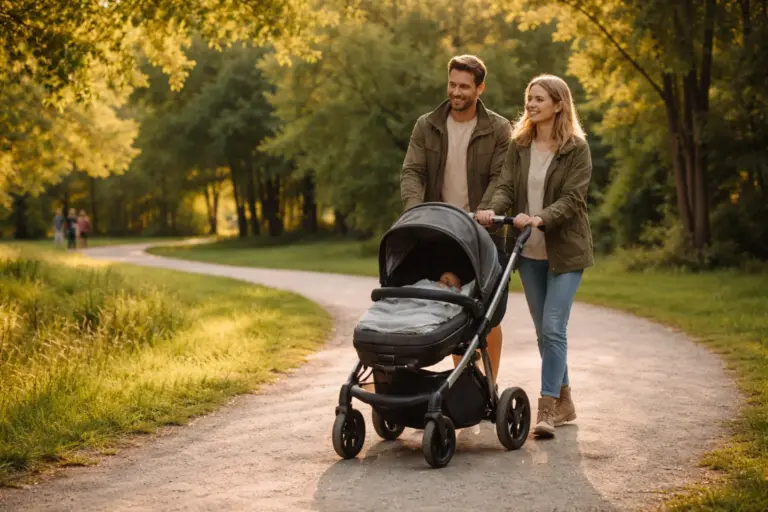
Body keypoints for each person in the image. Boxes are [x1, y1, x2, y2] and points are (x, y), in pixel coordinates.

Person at [475, 74, 594, 438]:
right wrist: (488, 212)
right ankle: (566, 400)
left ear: (559, 104)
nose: (531, 104)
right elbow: (506, 188)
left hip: (566, 251)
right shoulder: (520, 145)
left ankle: (546, 410)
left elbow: (573, 199)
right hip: (528, 251)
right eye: (529, 98)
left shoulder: (576, 149)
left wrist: (542, 218)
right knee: (546, 334)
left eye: (539, 99)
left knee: (554, 328)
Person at [400, 54, 512, 385]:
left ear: (480, 88)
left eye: (464, 86)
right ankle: (466, 383)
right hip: (440, 230)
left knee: (485, 315)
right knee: (450, 305)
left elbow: (501, 177)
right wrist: (414, 210)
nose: (456, 92)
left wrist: (485, 212)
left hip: (483, 232)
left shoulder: (498, 129)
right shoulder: (427, 125)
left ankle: (488, 384)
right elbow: (412, 171)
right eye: (452, 84)